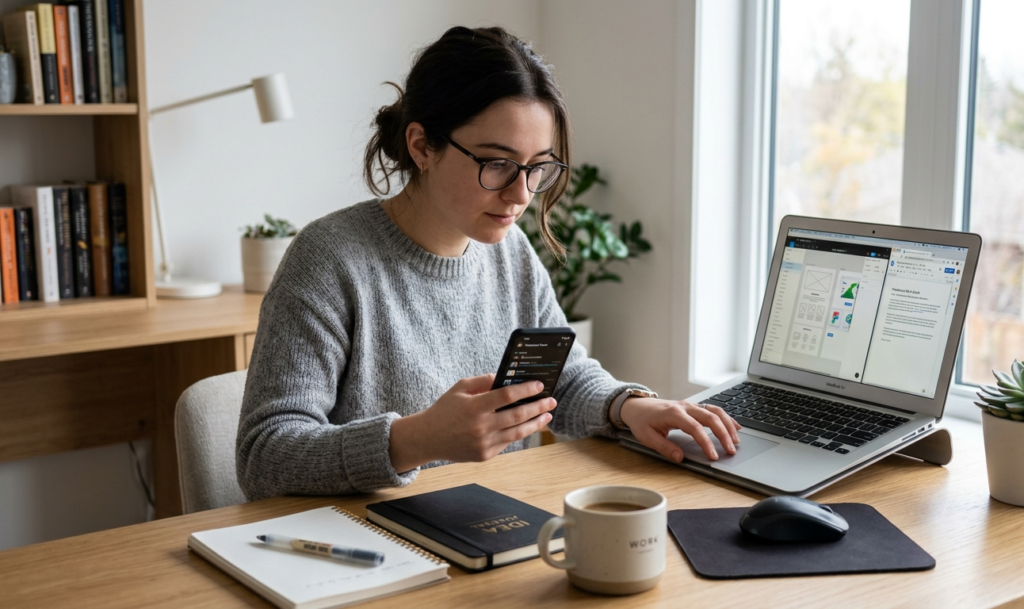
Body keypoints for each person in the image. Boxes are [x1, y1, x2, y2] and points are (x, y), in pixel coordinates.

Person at [236, 26, 740, 501]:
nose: (520, 194)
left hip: (495, 529)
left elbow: (557, 379)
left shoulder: (510, 251)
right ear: (421, 146)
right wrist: (413, 440)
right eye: (496, 163)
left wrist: (627, 406)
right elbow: (264, 458)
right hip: (369, 551)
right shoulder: (329, 260)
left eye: (537, 167)